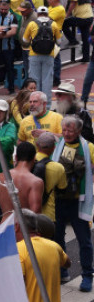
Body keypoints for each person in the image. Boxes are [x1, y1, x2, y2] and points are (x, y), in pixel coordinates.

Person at [52, 115, 94, 291]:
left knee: (84, 240)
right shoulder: (58, 145)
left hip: (78, 201)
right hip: (59, 200)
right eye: (64, 130)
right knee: (57, 238)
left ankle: (87, 275)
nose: (66, 133)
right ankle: (62, 271)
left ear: (78, 131)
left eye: (70, 130)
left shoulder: (88, 147)